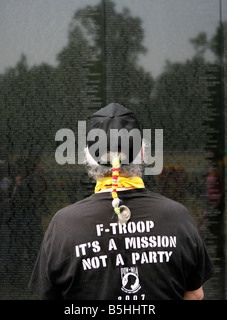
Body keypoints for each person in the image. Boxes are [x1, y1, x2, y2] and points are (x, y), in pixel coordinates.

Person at [29, 103, 214, 300]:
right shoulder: (177, 217)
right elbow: (194, 294)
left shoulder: (64, 224)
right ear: (142, 154)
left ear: (87, 158)